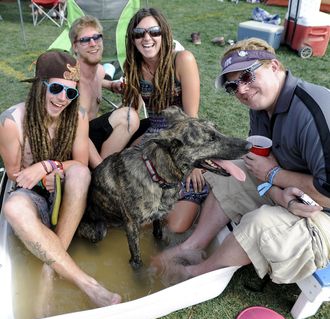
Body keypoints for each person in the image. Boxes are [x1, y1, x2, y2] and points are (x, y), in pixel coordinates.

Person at [151, 37, 330, 286]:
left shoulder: (315, 112)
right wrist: (278, 193)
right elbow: (263, 163)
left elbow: (325, 193)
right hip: (295, 192)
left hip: (324, 211)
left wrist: (274, 176)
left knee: (259, 224)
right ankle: (191, 246)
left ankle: (198, 273)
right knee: (235, 173)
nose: (241, 90)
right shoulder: (261, 107)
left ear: (275, 67)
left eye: (246, 77)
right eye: (232, 87)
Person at [0, 50, 121, 307]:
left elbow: (79, 162)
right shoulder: (11, 121)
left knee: (80, 173)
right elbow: (13, 173)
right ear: (38, 86)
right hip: (31, 191)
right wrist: (37, 176)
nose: (62, 98)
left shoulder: (77, 117)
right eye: (56, 88)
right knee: (11, 207)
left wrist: (49, 167)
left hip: (66, 188)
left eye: (71, 92)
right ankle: (86, 283)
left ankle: (49, 269)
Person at [114, 7, 207, 234]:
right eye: (139, 33)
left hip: (183, 137)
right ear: (133, 39)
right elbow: (134, 114)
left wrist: (194, 164)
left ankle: (204, 197)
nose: (147, 38)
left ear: (164, 34)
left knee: (175, 226)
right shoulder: (133, 66)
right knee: (128, 203)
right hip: (153, 136)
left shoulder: (182, 60)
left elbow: (191, 118)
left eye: (154, 32)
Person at [68, 15, 140, 168]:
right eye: (85, 40)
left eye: (97, 37)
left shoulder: (99, 71)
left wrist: (113, 85)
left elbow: (98, 80)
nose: (93, 43)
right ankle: (103, 172)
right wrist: (100, 168)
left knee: (144, 125)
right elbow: (74, 132)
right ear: (75, 46)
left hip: (91, 134)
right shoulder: (72, 81)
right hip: (74, 142)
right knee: (129, 117)